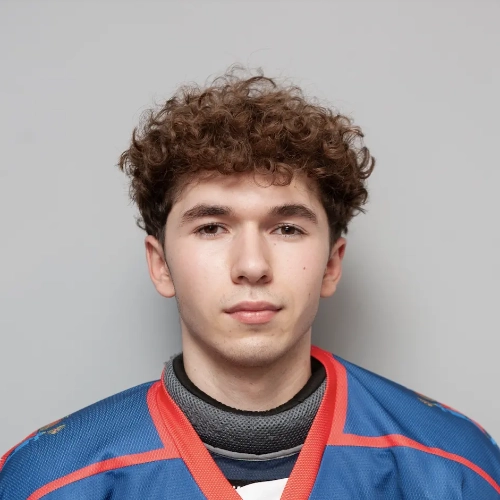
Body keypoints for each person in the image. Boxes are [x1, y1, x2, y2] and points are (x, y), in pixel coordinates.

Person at [1, 68, 499, 500]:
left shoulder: (455, 465)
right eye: (211, 228)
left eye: (287, 229)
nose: (253, 265)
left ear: (331, 265)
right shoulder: (51, 480)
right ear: (161, 265)